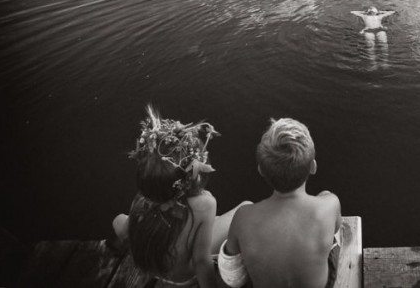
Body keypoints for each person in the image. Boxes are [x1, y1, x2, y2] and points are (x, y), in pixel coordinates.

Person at [112, 106, 246, 288]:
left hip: (154, 268)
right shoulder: (204, 203)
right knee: (245, 208)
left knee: (119, 220)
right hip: (183, 277)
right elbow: (200, 260)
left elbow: (121, 225)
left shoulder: (144, 195)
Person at [219, 118, 341, 288]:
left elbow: (231, 270)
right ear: (313, 167)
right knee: (325, 199)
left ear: (261, 170)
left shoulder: (244, 216)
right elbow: (335, 230)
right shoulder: (330, 204)